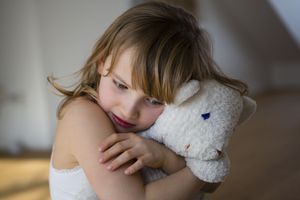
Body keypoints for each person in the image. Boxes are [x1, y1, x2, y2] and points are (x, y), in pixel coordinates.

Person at [48, 1, 248, 200]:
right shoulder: (82, 116)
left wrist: (165, 158)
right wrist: (202, 170)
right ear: (102, 61)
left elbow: (212, 186)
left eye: (153, 101)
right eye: (121, 85)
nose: (129, 111)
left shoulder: (170, 119)